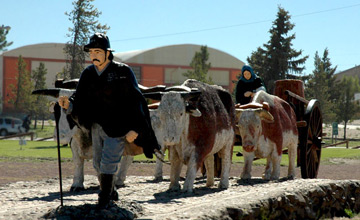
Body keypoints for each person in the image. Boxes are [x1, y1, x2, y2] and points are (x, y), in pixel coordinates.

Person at [58, 33, 160, 208]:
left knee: (108, 161)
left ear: (107, 52)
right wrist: (69, 104)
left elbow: (137, 101)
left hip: (120, 127)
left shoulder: (123, 72)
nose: (94, 55)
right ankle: (111, 190)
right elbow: (79, 97)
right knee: (97, 164)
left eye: (98, 51)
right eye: (91, 52)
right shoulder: (88, 74)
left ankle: (103, 198)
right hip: (97, 126)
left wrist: (135, 128)